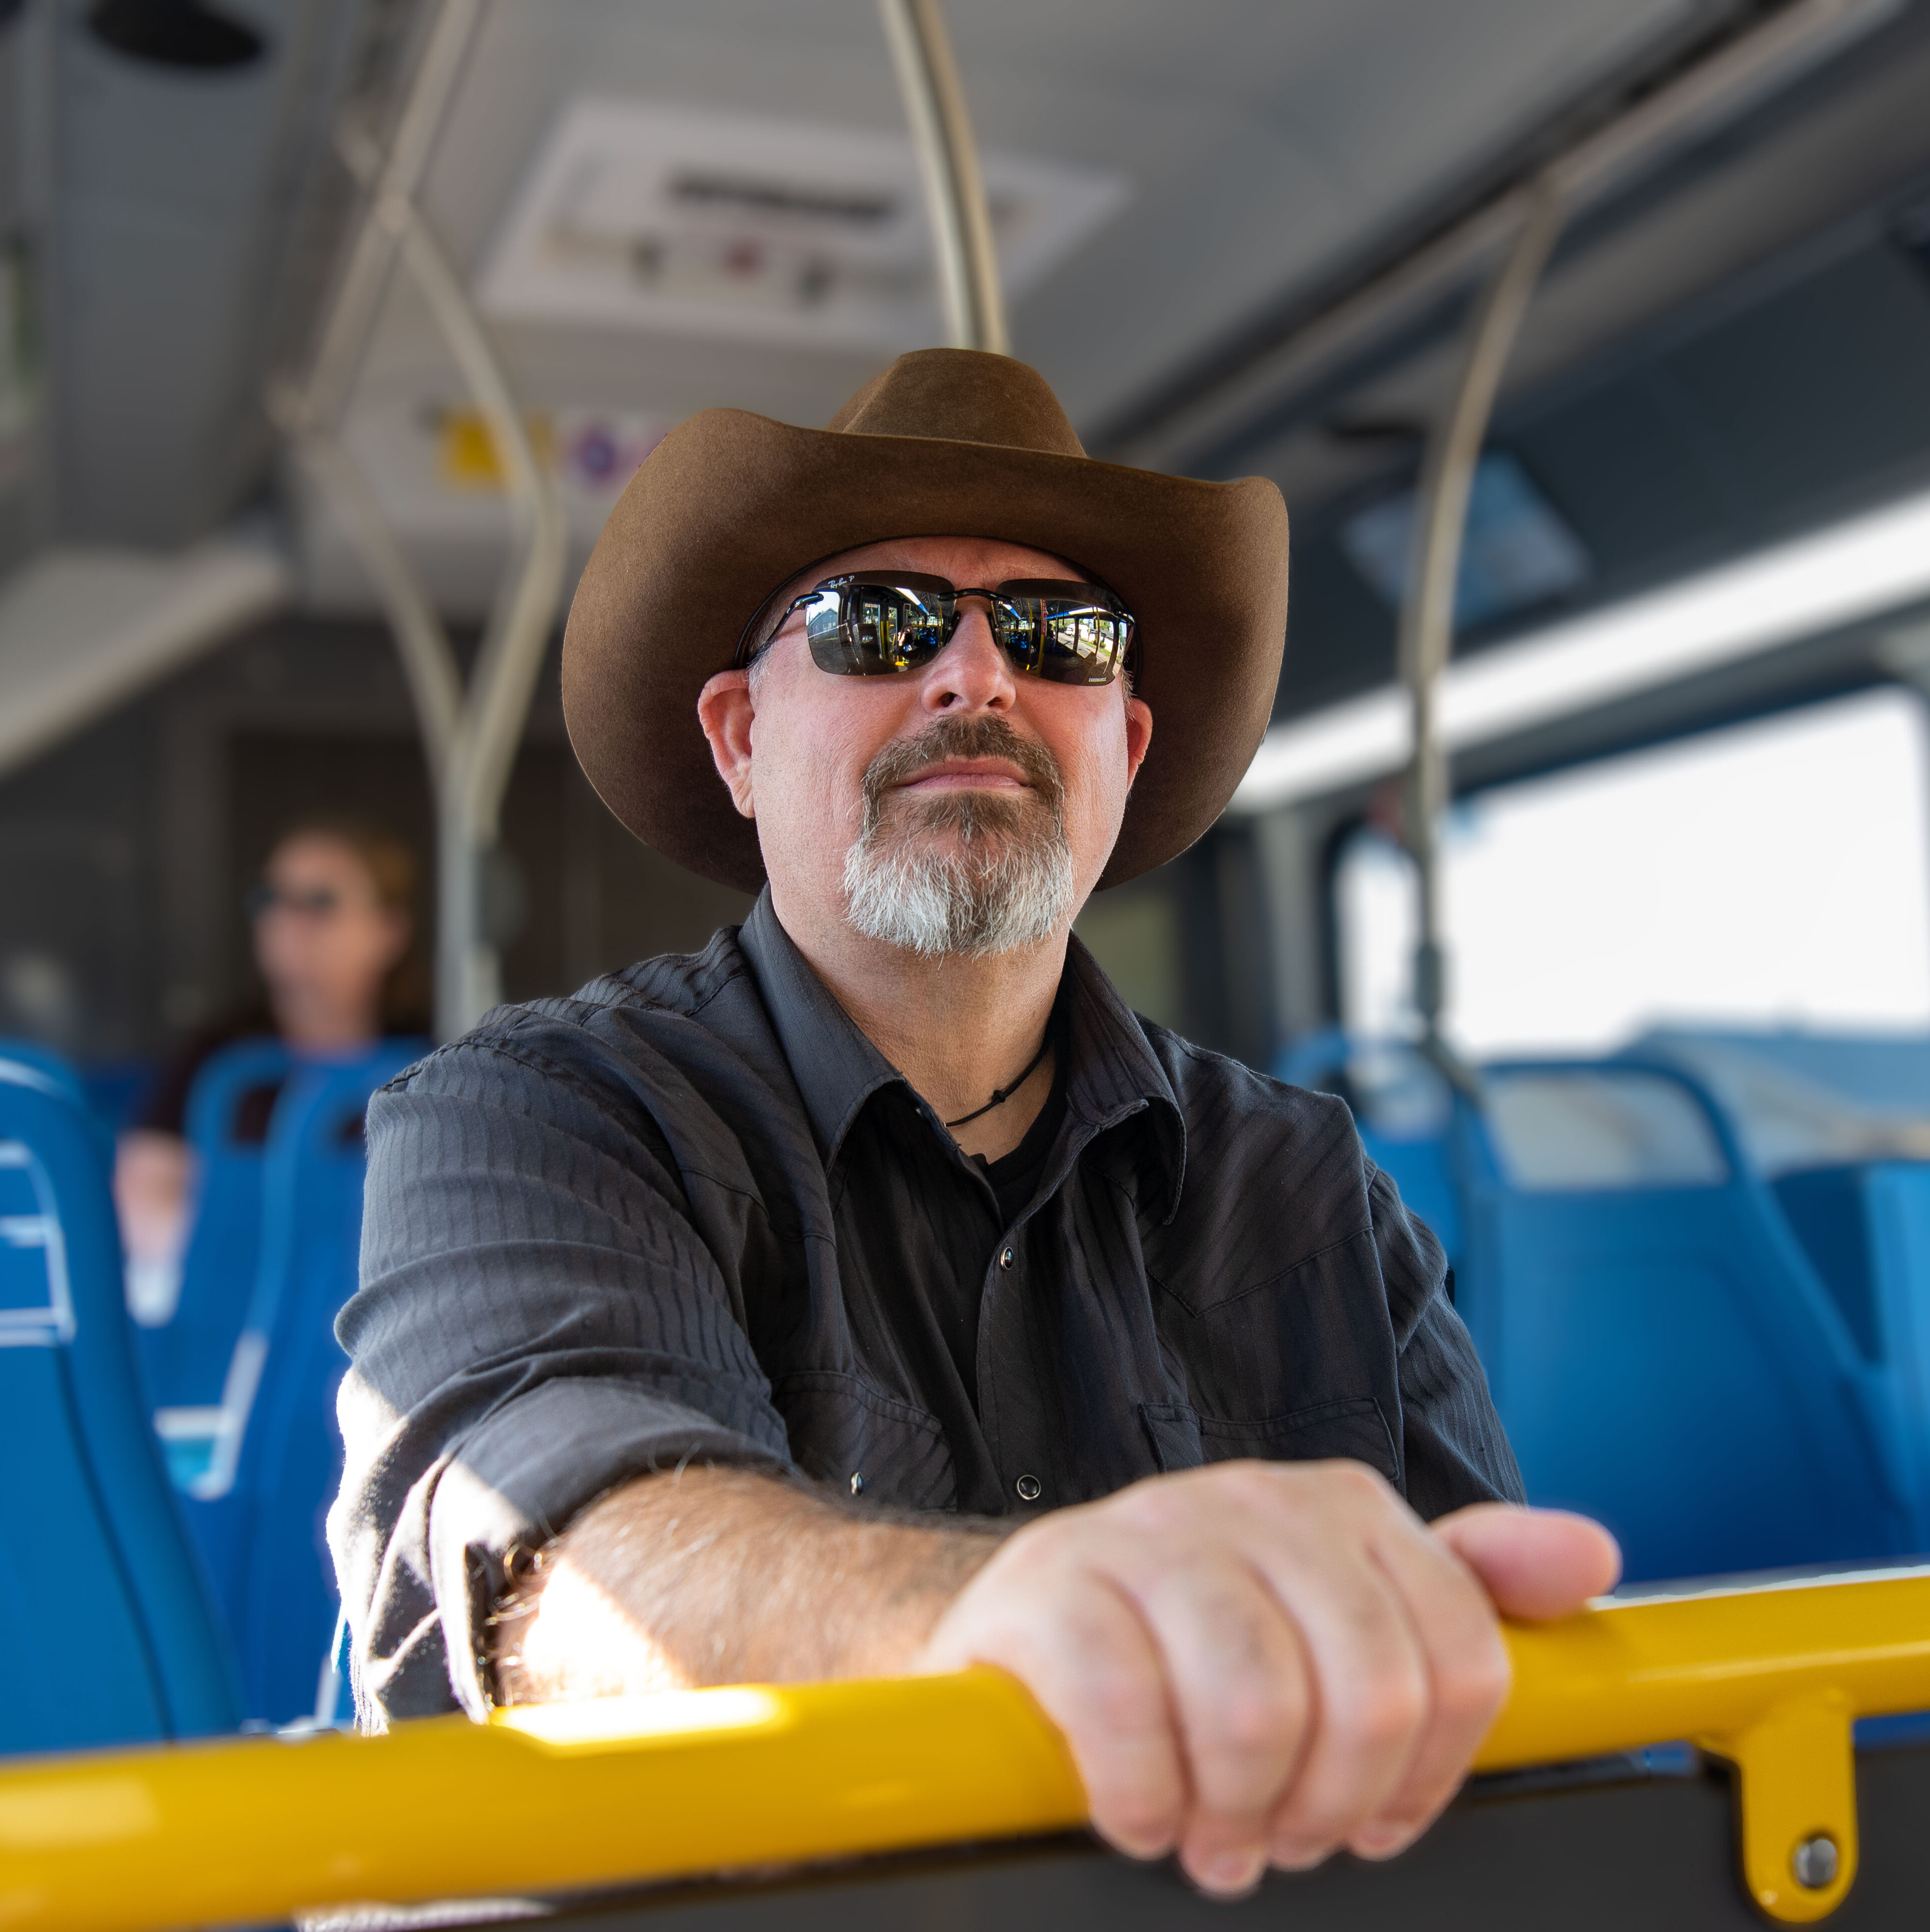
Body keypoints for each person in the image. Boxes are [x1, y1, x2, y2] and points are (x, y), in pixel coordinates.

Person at [333, 350, 1618, 1898]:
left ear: (1122, 753)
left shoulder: (1308, 1185)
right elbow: (570, 1556)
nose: (975, 678)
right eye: (879, 622)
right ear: (742, 739)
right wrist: (991, 1611)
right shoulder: (528, 1117)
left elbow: (1508, 1751)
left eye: (1058, 637)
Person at [115, 819, 421, 1319]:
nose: (287, 920)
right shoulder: (215, 1060)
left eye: (319, 901)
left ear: (389, 930)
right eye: (271, 898)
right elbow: (144, 1202)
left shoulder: (432, 1060)